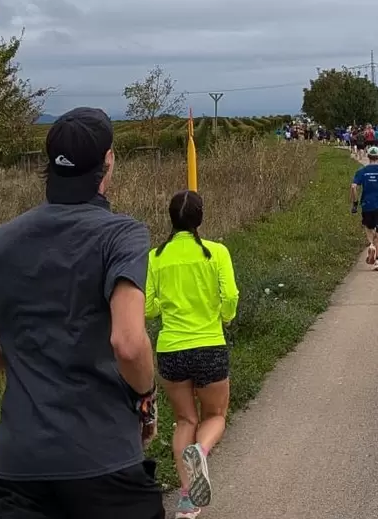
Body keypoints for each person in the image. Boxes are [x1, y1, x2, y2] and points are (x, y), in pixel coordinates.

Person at [0, 107, 164, 518]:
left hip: (21, 472)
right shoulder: (122, 235)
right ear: (108, 161)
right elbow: (127, 343)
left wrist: (23, 355)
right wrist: (146, 399)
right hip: (106, 464)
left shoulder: (2, 241)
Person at [145, 190, 240, 519]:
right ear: (199, 218)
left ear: (171, 218)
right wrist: (224, 316)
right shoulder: (216, 252)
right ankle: (201, 450)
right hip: (209, 344)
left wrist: (165, 307)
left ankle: (187, 502)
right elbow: (230, 295)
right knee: (215, 416)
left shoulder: (155, 257)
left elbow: (146, 306)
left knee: (185, 419)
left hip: (171, 348)